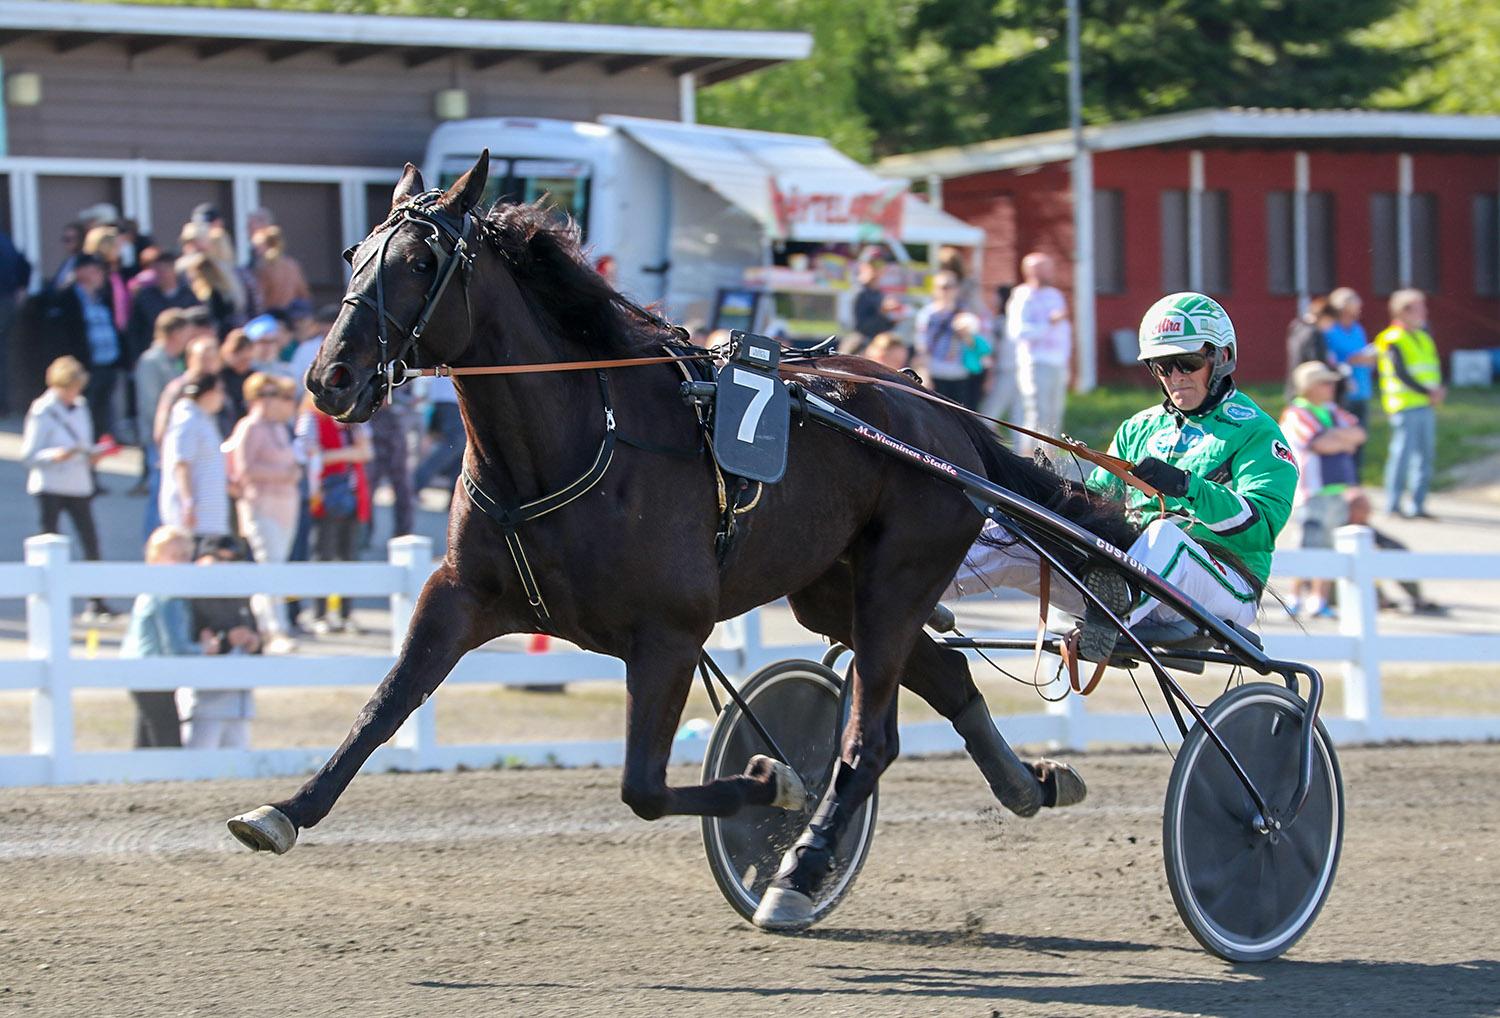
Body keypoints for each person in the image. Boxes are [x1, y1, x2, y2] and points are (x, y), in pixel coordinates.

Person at [946, 292, 1298, 663]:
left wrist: (1188, 487)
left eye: (1187, 362)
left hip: (1225, 586)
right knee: (1010, 532)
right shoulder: (1138, 428)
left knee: (1165, 537)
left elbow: (1263, 527)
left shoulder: (1257, 432)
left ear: (1222, 357)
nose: (1175, 377)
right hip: (1130, 578)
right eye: (1162, 366)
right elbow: (1099, 503)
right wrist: (1052, 494)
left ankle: (1109, 618)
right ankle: (915, 588)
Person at [22, 356, 112, 620]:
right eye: (71, 388)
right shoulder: (42, 410)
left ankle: (96, 600)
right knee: (49, 544)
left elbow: (84, 443)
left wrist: (93, 454)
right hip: (50, 486)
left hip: (78, 484)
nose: (75, 393)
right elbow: (29, 454)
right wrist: (55, 455)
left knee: (90, 542)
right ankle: (47, 602)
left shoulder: (81, 406)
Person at [1279, 361, 1367, 618]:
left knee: (1329, 547)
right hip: (1311, 491)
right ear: (1310, 386)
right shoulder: (1296, 413)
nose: (1332, 387)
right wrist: (1342, 440)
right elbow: (1319, 444)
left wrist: (1336, 439)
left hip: (1336, 489)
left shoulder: (1331, 411)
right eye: (1326, 383)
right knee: (1307, 545)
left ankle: (1320, 599)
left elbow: (1359, 433)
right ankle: (1295, 597)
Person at [224, 373, 302, 652]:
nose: (274, 401)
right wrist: (283, 474)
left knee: (277, 566)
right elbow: (245, 470)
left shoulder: (280, 428)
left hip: (286, 505)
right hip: (261, 505)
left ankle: (273, 625)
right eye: (268, 395)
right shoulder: (249, 427)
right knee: (270, 568)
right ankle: (274, 630)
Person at [120, 525, 213, 748]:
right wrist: (204, 648)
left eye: (186, 556)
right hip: (153, 672)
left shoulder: (152, 590)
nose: (182, 562)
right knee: (167, 738)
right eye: (175, 556)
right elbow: (175, 647)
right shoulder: (167, 596)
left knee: (147, 736)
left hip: (139, 669)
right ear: (155, 558)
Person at [179, 535, 261, 748]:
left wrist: (254, 642)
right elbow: (193, 641)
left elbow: (255, 636)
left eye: (231, 560)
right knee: (199, 756)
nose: (225, 566)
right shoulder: (192, 598)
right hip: (204, 700)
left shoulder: (240, 596)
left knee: (238, 757)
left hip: (239, 699)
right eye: (218, 559)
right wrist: (226, 640)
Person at [300, 402, 372, 633]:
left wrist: (335, 455)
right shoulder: (311, 420)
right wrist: (350, 453)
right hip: (325, 497)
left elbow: (367, 452)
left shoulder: (354, 421)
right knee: (324, 555)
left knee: (349, 556)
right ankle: (320, 614)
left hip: (353, 496)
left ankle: (345, 614)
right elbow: (310, 456)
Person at [1375, 289, 1444, 520]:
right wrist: (1428, 391)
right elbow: (1401, 372)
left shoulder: (1423, 337)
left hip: (1425, 404)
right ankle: (1393, 505)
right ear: (1404, 312)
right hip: (1404, 405)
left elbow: (1432, 367)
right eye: (1419, 308)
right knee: (1402, 456)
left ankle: (1418, 504)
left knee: (1425, 456)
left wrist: (1438, 389)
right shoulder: (1392, 338)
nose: (1425, 312)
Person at [1005, 252, 1072, 456]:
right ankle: (1030, 456)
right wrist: (1047, 323)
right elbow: (1017, 332)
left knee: (1054, 414)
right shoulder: (1023, 296)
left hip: (1057, 361)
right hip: (1036, 361)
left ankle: (1049, 456)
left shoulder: (1055, 295)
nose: (1050, 272)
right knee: (1037, 413)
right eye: (1045, 268)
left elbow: (1063, 330)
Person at [134, 308, 192, 530]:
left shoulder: (175, 361)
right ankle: (153, 542)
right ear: (175, 332)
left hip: (176, 437)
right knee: (158, 494)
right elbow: (150, 404)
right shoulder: (151, 361)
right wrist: (163, 434)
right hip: (159, 440)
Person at [159, 371, 231, 538]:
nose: (222, 397)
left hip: (207, 512)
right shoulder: (187, 419)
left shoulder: (203, 419)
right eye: (219, 391)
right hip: (194, 514)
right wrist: (187, 503)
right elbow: (181, 463)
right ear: (207, 393)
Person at [914, 271, 987, 407]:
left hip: (960, 374)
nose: (947, 291)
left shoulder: (965, 313)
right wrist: (924, 373)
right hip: (936, 374)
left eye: (950, 286)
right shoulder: (928, 314)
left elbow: (976, 345)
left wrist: (965, 334)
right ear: (935, 289)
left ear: (957, 289)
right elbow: (922, 346)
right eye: (943, 287)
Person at [1323, 288, 1376, 459]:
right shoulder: (1330, 330)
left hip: (1362, 389)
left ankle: (1356, 473)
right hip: (1342, 392)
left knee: (1359, 440)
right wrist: (1352, 359)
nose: (1358, 311)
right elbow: (1330, 359)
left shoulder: (1358, 329)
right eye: (1354, 307)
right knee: (1341, 439)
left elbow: (1363, 353)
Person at [412, 372, 465, 495]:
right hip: (451, 401)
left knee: (459, 450)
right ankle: (416, 483)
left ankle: (455, 492)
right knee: (452, 446)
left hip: (445, 400)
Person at [1283, 296, 1335, 400]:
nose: (1331, 326)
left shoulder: (1296, 326)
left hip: (1295, 383)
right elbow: (1316, 363)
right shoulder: (1314, 334)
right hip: (1310, 387)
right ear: (1325, 317)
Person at [252, 226, 312, 313]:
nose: (256, 251)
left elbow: (258, 298)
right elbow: (304, 294)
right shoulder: (293, 265)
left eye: (257, 247)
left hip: (270, 315)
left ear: (266, 245)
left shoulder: (264, 267)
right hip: (290, 315)